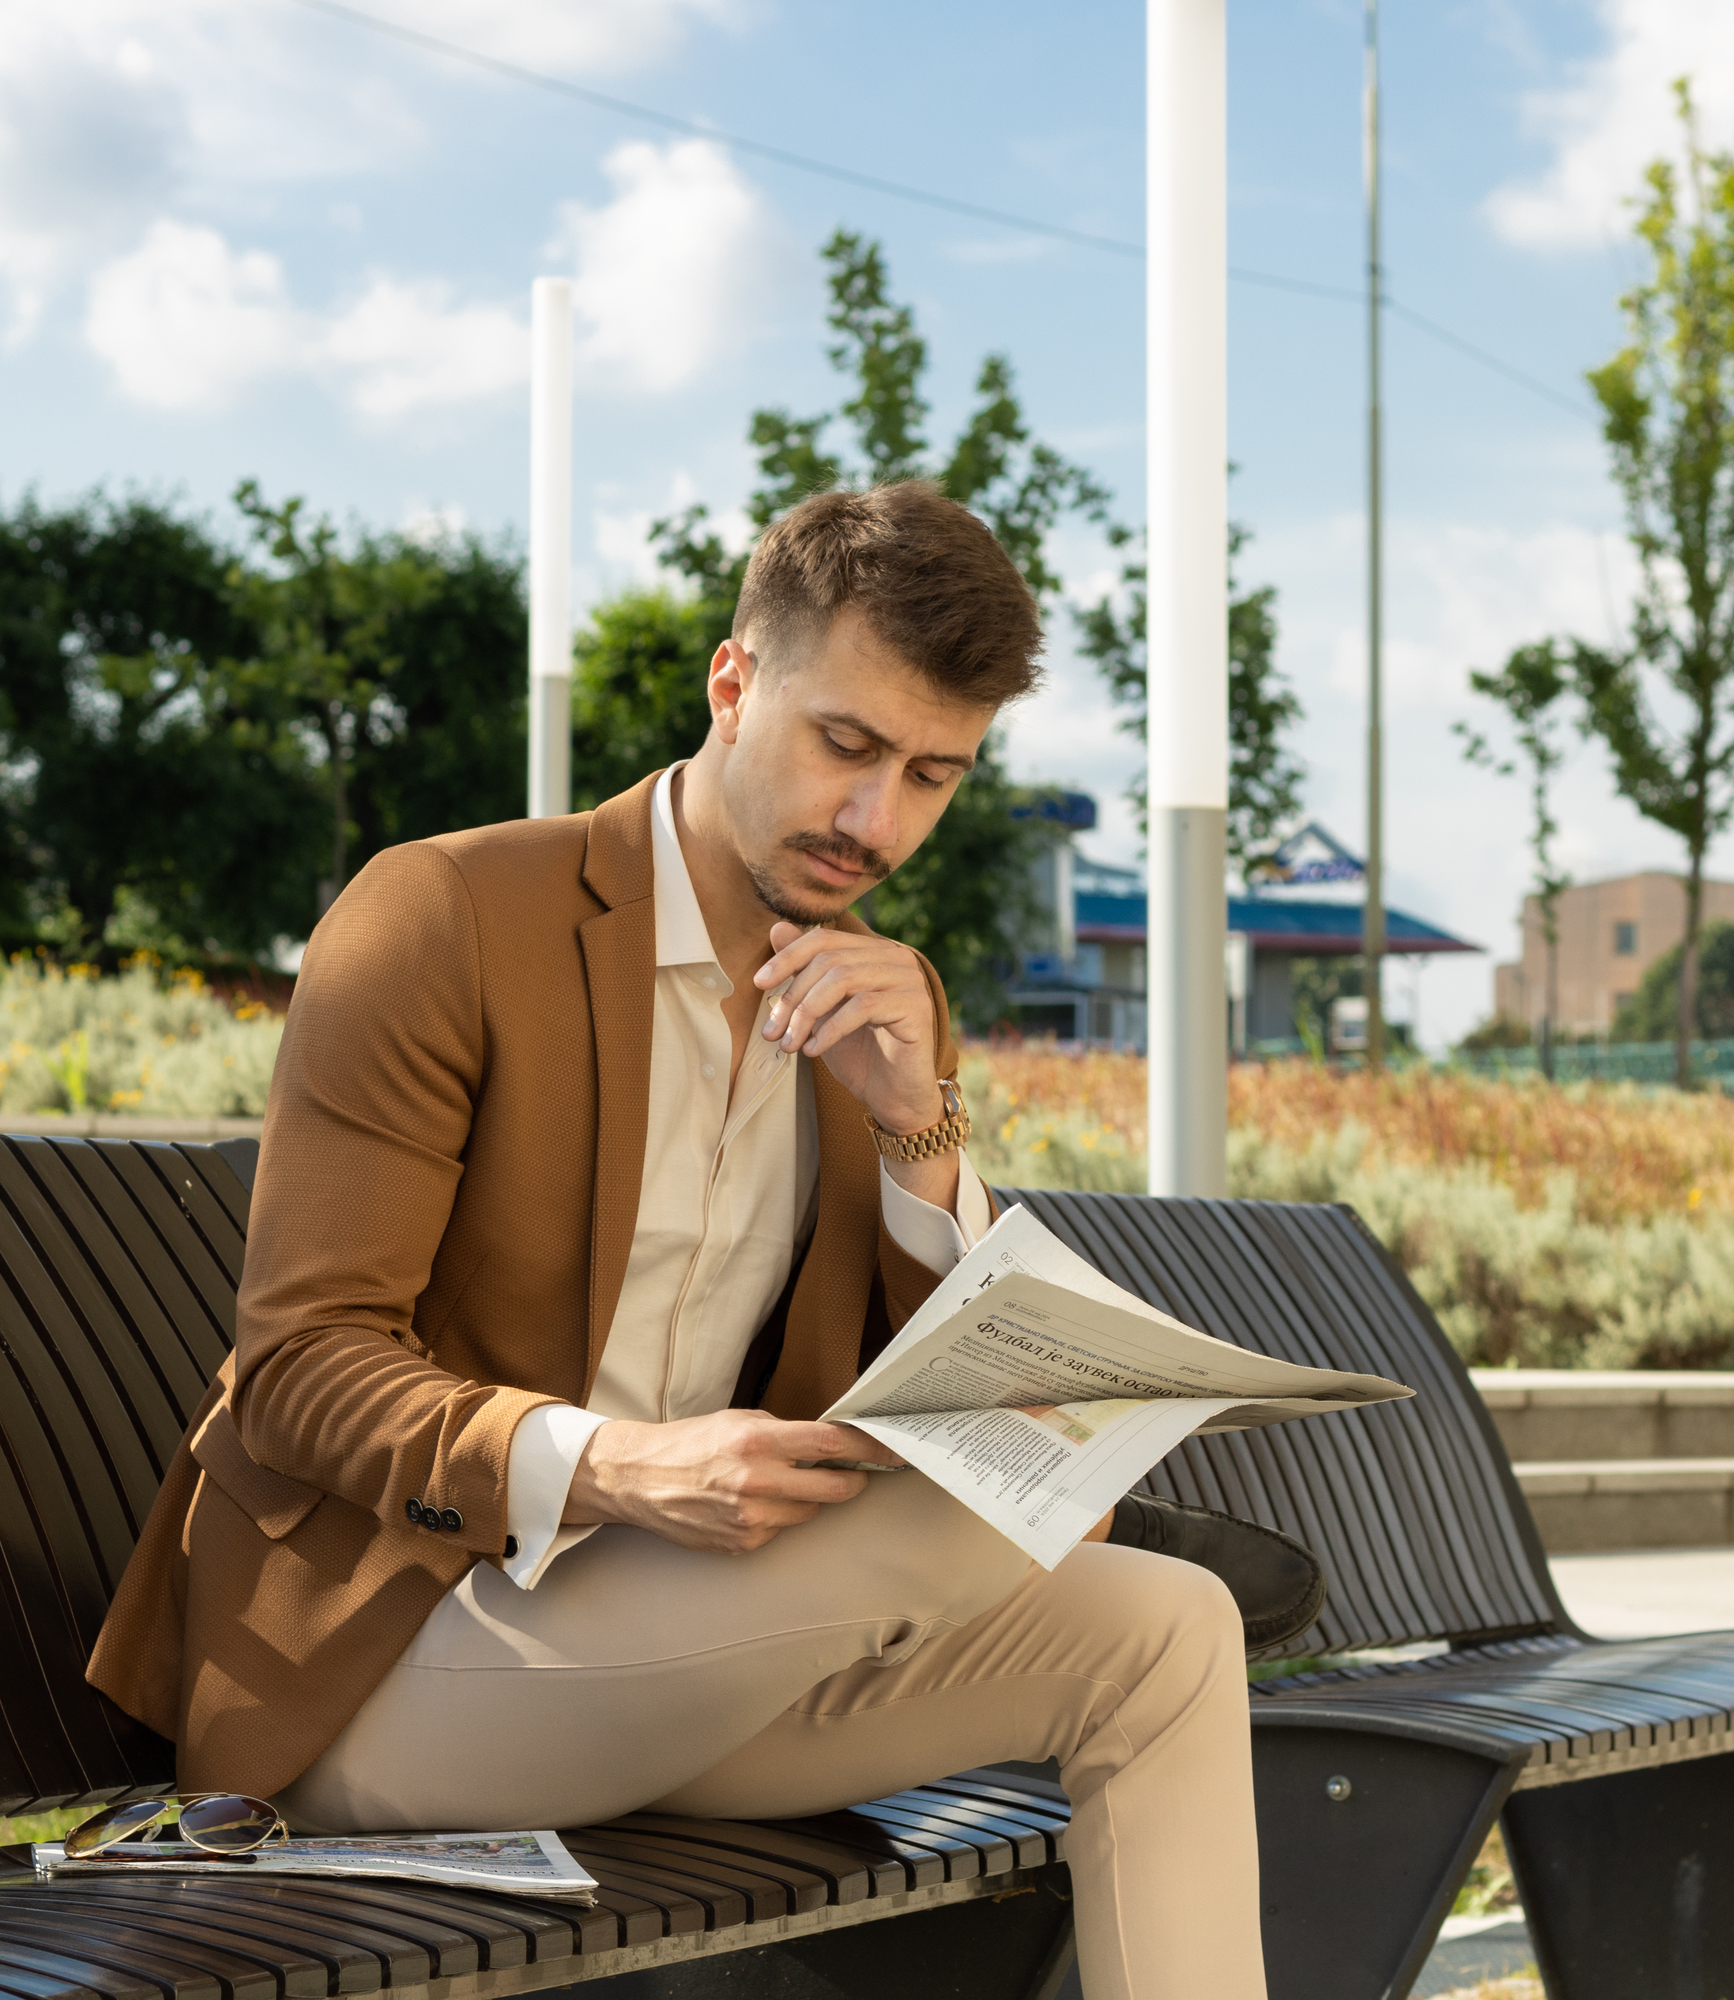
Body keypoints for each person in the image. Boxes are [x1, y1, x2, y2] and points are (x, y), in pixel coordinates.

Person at [90, 483, 1286, 1999]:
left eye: (933, 775)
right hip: (397, 1666)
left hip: (695, 1666)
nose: (877, 821)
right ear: (733, 684)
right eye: (845, 746)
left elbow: (919, 1384)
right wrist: (618, 1465)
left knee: (1170, 1626)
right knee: (1011, 1503)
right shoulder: (447, 916)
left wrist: (919, 1125)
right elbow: (302, 1374)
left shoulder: (875, 993)